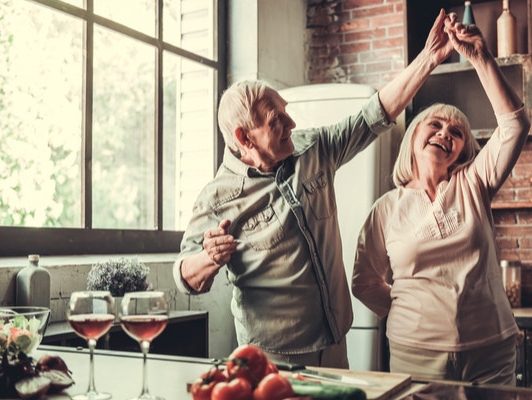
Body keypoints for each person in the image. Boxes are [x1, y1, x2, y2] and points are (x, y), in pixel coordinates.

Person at [173, 9, 456, 368]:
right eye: (277, 121)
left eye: (286, 112)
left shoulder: (312, 148)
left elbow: (374, 113)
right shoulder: (217, 198)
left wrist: (428, 59)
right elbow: (185, 277)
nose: (292, 123)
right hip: (273, 358)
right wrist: (208, 258)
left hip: (336, 341)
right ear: (244, 138)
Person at [351, 16, 530, 384]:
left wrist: (480, 57)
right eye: (435, 124)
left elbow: (514, 125)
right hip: (414, 354)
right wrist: (411, 313)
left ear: (463, 150)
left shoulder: (474, 182)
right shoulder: (386, 208)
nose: (445, 133)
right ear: (414, 137)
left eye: (457, 132)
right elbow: (364, 282)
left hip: (489, 351)